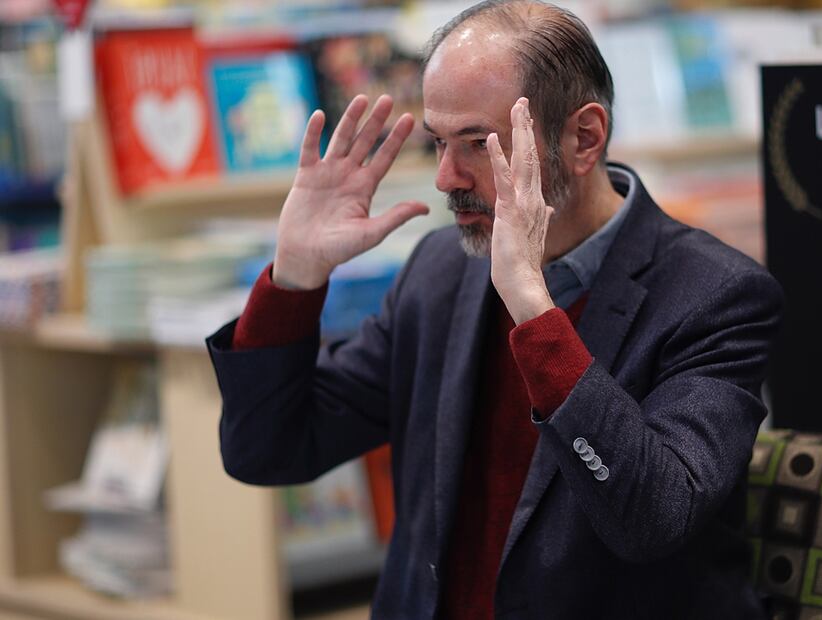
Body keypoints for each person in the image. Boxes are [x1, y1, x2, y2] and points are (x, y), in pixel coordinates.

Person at [207, 1, 782, 618]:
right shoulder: (440, 272)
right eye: (438, 143)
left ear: (583, 138)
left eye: (478, 144)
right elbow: (267, 451)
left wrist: (534, 310)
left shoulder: (715, 294)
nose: (446, 177)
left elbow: (652, 518)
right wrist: (293, 277)